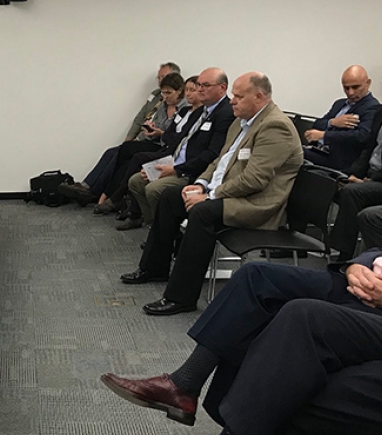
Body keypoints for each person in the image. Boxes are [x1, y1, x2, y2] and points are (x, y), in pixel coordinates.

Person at [101, 211, 382, 434]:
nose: (234, 110)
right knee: (256, 278)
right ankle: (185, 384)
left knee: (301, 315)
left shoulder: (274, 128)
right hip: (366, 282)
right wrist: (356, 265)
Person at [120, 72, 303, 315]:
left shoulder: (275, 126)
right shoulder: (241, 121)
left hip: (256, 204)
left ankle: (181, 297)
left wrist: (210, 195)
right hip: (230, 193)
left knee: (202, 212)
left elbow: (254, 180)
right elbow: (220, 161)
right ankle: (154, 267)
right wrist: (202, 184)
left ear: (259, 97)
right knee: (170, 197)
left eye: (238, 96)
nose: (232, 101)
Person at [119, 69, 235, 229]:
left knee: (153, 189)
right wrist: (160, 164)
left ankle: (165, 231)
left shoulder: (225, 114)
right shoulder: (201, 111)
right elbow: (178, 139)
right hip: (174, 160)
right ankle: (154, 225)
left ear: (222, 88)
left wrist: (175, 169)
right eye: (199, 85)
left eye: (205, 85)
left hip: (191, 170)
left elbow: (212, 154)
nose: (200, 89)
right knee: (136, 181)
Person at [60, 63, 183, 207]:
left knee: (124, 154)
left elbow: (172, 134)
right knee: (111, 152)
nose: (161, 80)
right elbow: (141, 117)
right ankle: (88, 187)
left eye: (164, 77)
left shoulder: (184, 107)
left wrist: (157, 133)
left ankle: (97, 192)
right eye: (159, 77)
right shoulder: (157, 97)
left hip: (159, 145)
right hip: (147, 138)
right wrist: (130, 138)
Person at [327, 56, 382, 260]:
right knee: (336, 183)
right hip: (374, 175)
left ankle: (343, 256)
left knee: (353, 193)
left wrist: (373, 180)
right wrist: (353, 174)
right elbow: (369, 148)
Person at [108, 75, 199, 228]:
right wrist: (162, 134)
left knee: (138, 159)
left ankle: (120, 200)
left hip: (174, 156)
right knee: (123, 157)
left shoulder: (195, 113)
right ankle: (135, 212)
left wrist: (164, 135)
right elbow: (171, 135)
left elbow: (175, 138)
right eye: (187, 89)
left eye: (192, 90)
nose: (189, 93)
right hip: (167, 148)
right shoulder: (184, 112)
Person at [92, 72, 188, 215]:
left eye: (168, 93)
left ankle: (111, 195)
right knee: (123, 154)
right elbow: (155, 123)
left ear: (179, 91)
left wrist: (160, 133)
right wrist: (151, 128)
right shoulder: (163, 104)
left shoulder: (185, 109)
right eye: (163, 93)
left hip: (165, 147)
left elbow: (174, 136)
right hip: (155, 141)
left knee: (130, 154)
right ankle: (109, 195)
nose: (165, 96)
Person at [302, 65, 379, 170]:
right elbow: (317, 124)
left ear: (368, 83)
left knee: (293, 152)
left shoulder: (372, 107)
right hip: (320, 150)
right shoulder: (339, 104)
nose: (350, 92)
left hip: (340, 160)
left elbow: (361, 136)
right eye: (346, 88)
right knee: (292, 150)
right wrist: (333, 122)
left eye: (355, 87)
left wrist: (324, 135)